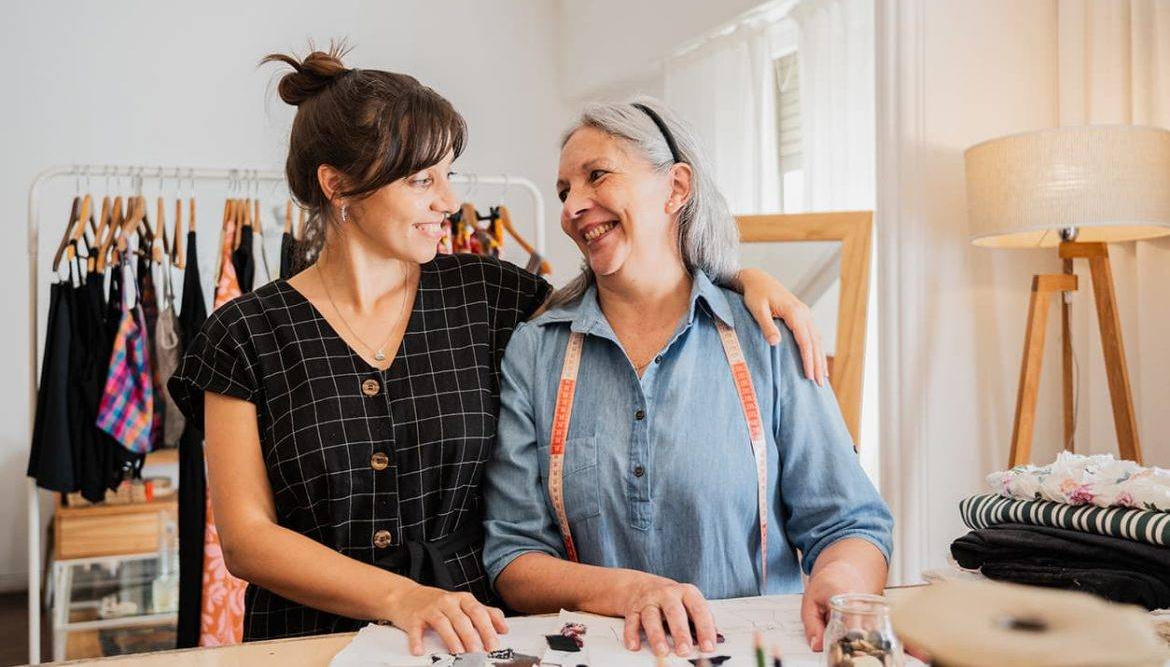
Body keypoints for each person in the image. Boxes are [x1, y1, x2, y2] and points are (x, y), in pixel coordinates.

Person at [168, 46, 827, 655]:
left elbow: (633, 287)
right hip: (311, 644)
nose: (450, 202)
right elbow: (248, 541)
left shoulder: (491, 296)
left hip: (476, 640)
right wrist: (402, 597)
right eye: (423, 181)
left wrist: (740, 281)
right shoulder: (244, 334)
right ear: (338, 186)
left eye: (447, 176)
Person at [482, 98, 894, 659]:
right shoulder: (536, 351)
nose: (573, 206)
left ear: (676, 188)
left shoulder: (765, 335)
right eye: (562, 192)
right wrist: (634, 591)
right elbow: (513, 557)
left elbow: (849, 520)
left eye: (596, 175)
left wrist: (840, 579)